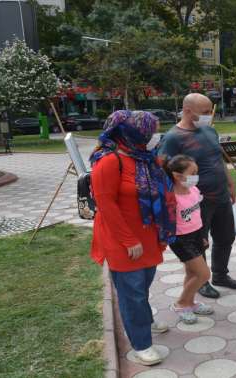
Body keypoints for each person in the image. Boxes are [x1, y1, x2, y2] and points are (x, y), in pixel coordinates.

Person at [90, 110, 176, 366]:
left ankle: (145, 319)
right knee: (132, 293)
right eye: (149, 132)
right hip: (122, 238)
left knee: (143, 285)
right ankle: (141, 344)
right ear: (133, 133)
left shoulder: (145, 159)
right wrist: (128, 240)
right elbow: (106, 205)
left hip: (148, 234)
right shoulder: (108, 161)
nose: (154, 137)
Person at [159, 93, 236, 299]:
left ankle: (220, 275)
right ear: (188, 111)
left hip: (221, 195)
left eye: (209, 111)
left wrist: (230, 183)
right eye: (204, 112)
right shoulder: (172, 138)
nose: (209, 116)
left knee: (226, 237)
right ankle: (201, 281)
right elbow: (163, 168)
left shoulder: (210, 130)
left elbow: (218, 159)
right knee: (199, 242)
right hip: (196, 201)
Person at [163, 154, 214, 324]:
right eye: (192, 172)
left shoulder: (193, 190)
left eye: (196, 171)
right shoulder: (171, 198)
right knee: (204, 274)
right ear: (177, 176)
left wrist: (202, 236)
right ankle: (181, 303)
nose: (196, 176)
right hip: (181, 240)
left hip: (196, 235)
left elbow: (197, 214)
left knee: (192, 272)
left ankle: (190, 303)